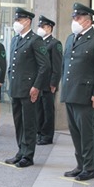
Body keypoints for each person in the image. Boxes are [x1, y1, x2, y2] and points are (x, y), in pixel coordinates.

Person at [61, 3, 94, 181]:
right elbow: (66, 66)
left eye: (79, 18)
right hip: (70, 93)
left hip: (86, 94)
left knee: (86, 133)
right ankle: (80, 165)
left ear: (88, 20)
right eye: (74, 18)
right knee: (75, 132)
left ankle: (89, 168)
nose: (75, 20)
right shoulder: (70, 38)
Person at [4, 8, 50, 168]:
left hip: (29, 89)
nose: (16, 23)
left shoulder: (35, 40)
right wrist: (10, 80)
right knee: (18, 122)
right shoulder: (16, 39)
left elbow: (44, 65)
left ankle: (28, 155)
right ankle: (20, 151)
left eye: (20, 20)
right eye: (16, 20)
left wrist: (36, 86)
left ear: (28, 21)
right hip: (16, 88)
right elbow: (12, 65)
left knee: (29, 123)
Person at [35, 15, 62, 145]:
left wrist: (54, 83)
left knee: (48, 110)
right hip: (38, 83)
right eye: (39, 26)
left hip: (48, 83)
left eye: (43, 26)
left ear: (49, 28)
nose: (40, 28)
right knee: (39, 109)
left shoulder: (55, 44)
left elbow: (57, 65)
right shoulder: (39, 42)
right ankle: (39, 132)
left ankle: (47, 135)